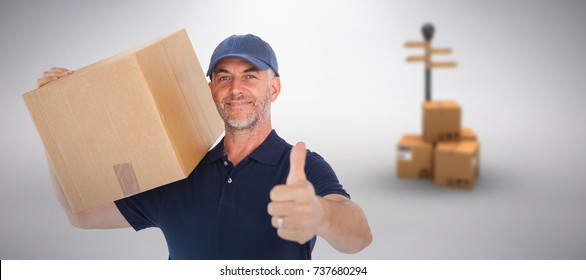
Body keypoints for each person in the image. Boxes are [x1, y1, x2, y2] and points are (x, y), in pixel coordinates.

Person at [37, 34, 372, 259]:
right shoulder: (180, 173)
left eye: (251, 76)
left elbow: (358, 237)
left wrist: (321, 214)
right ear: (211, 90)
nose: (236, 88)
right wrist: (56, 122)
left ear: (274, 89)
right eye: (224, 77)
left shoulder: (301, 167)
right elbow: (80, 214)